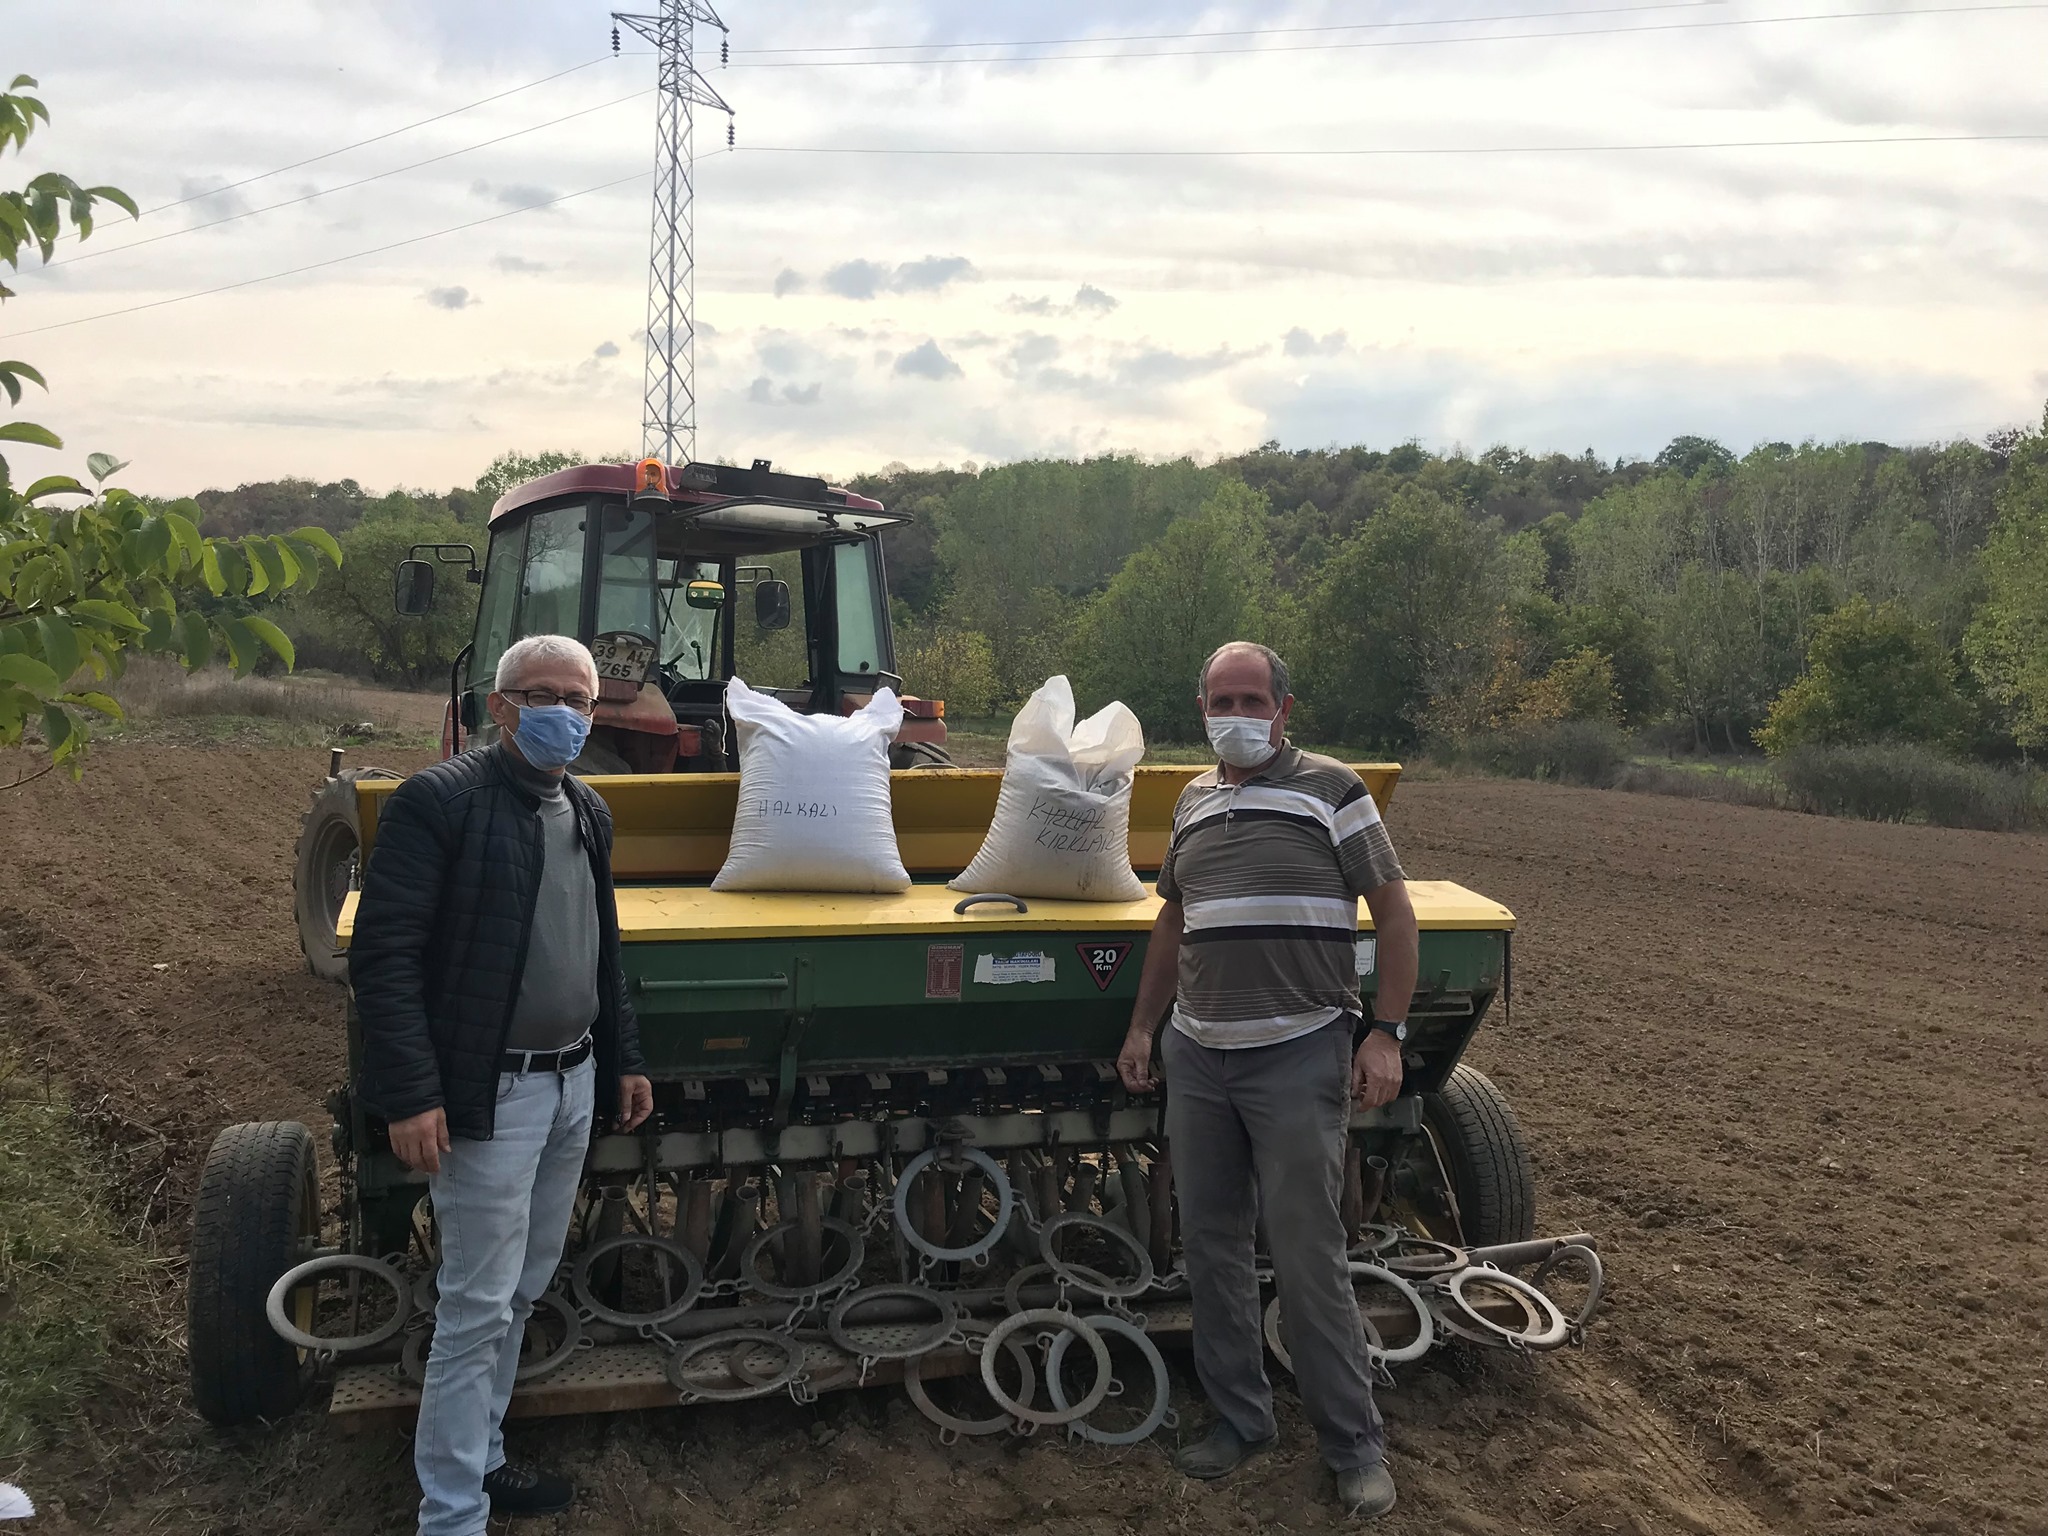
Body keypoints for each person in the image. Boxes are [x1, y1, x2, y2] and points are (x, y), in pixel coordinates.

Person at [350, 633, 654, 1536]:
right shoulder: (438, 803)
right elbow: (386, 955)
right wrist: (409, 1094)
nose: (564, 712)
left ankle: (481, 1460)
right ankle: (450, 1515)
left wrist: (624, 1057)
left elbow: (601, 950)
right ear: (500, 705)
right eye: (543, 694)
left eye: (581, 698)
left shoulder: (587, 809)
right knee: (476, 1305)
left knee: (521, 1290)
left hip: (572, 1082)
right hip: (492, 1094)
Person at [1116, 640, 1418, 1522]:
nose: (1236, 715)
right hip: (1200, 1054)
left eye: (1252, 699)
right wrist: (1144, 1027)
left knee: (1306, 1251)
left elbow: (1393, 909)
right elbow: (1174, 921)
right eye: (1222, 700)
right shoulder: (1193, 801)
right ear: (1202, 710)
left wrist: (1385, 1034)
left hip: (1298, 1049)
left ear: (1284, 710)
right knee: (1210, 1243)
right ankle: (1241, 1421)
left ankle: (1353, 1446)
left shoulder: (1333, 790)